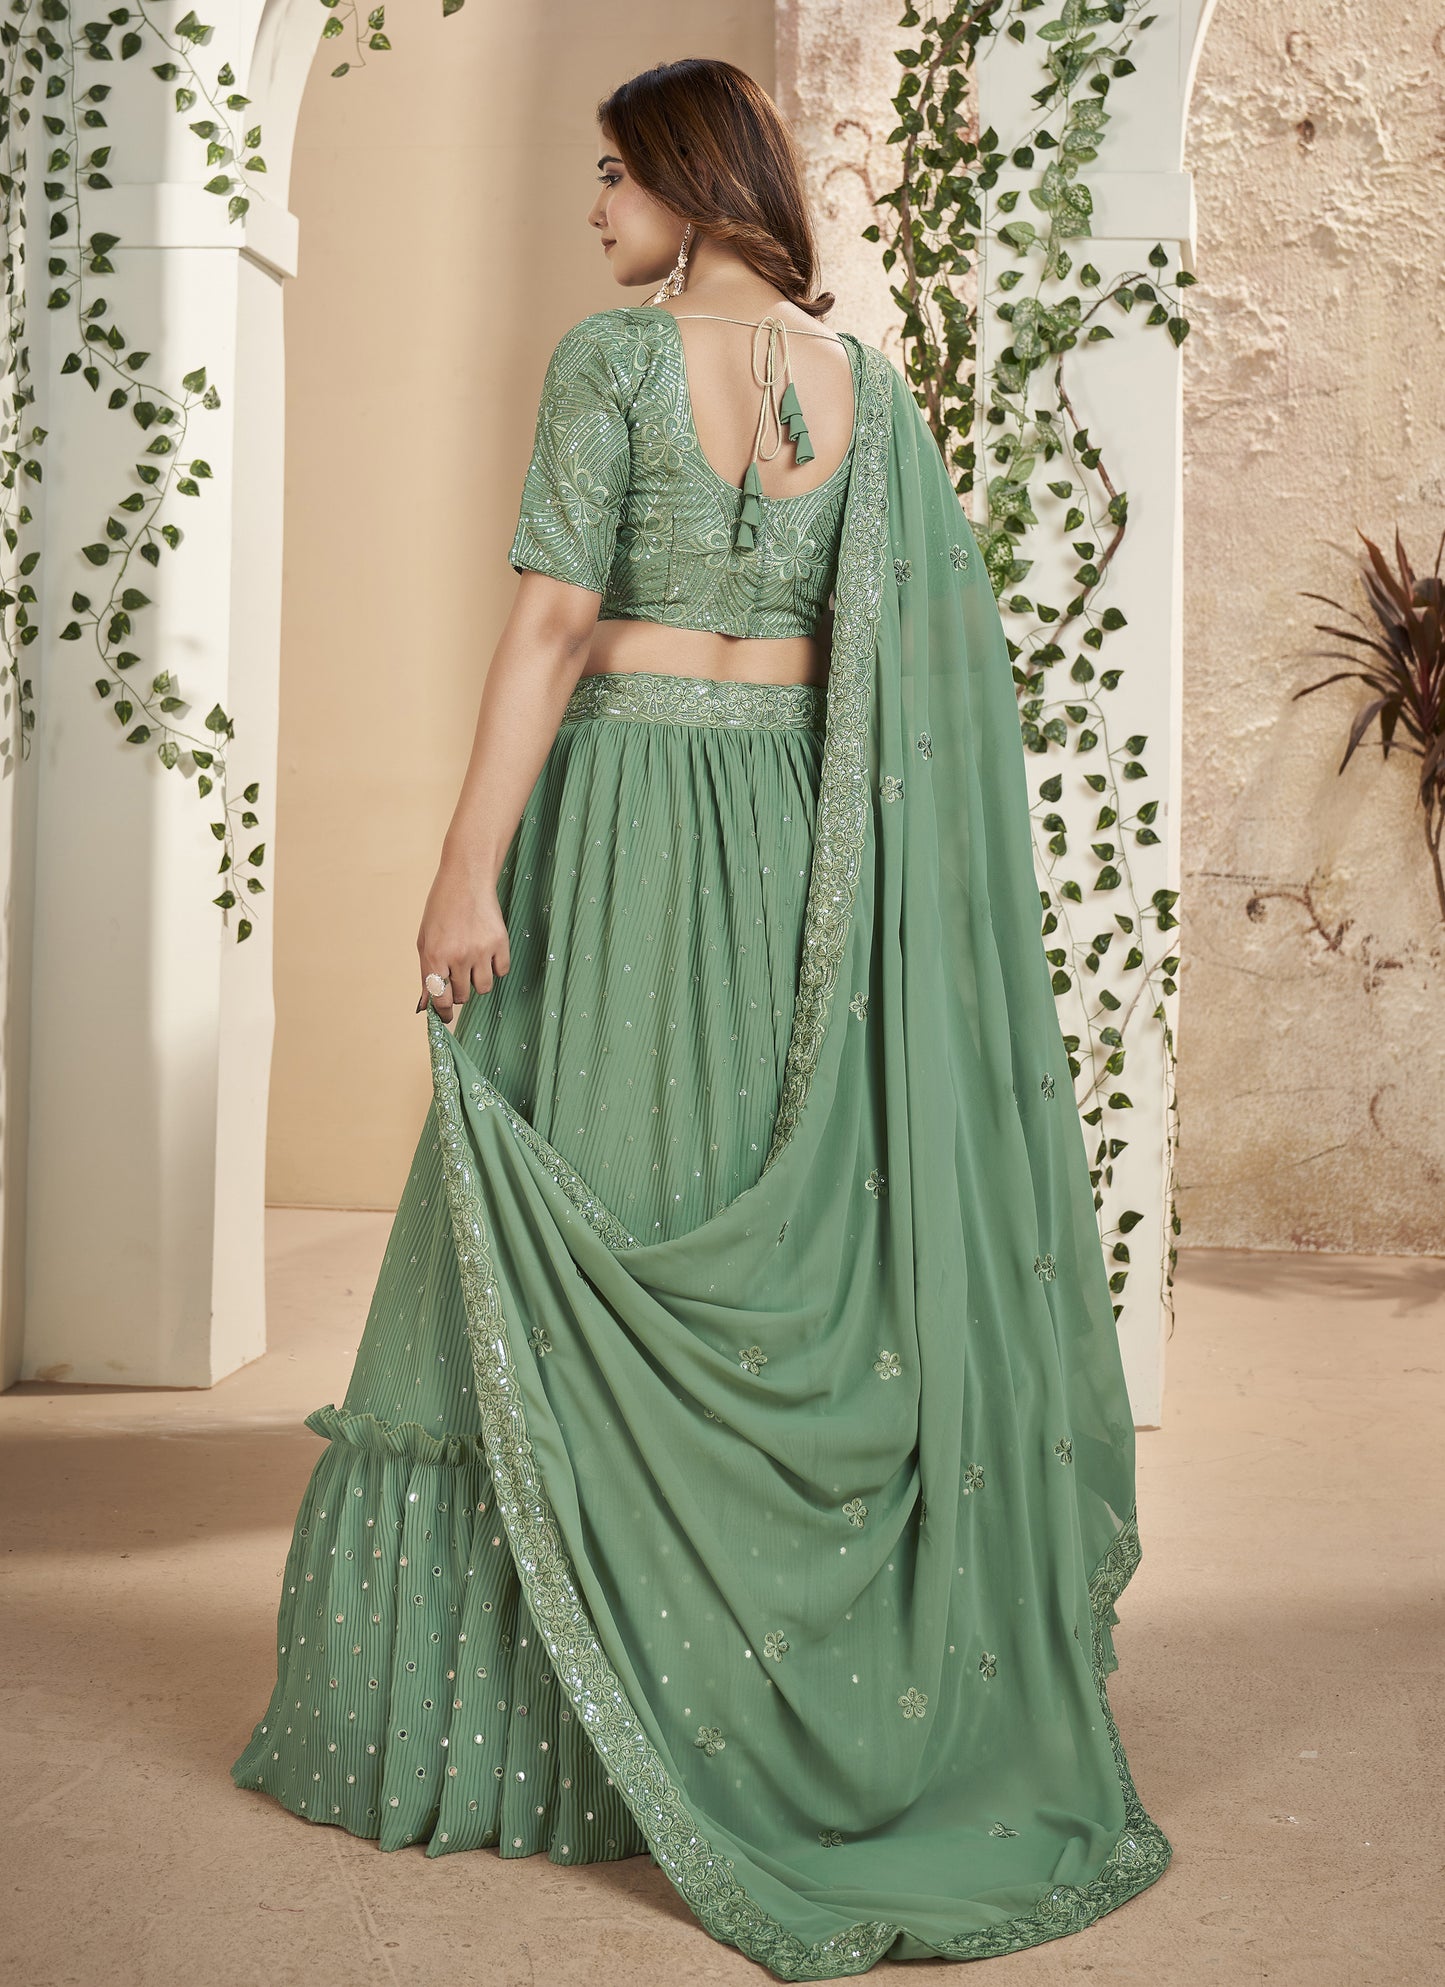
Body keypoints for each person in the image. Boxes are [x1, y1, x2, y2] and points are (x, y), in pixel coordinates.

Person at [231, 56, 1172, 1978]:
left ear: (684, 177)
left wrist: (463, 869)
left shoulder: (610, 363)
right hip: (791, 847)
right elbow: (886, 683)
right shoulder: (867, 395)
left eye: (613, 174)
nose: (594, 207)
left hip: (627, 816)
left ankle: (570, 1731)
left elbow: (551, 628)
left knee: (599, 1196)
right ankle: (755, 1686)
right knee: (754, 1221)